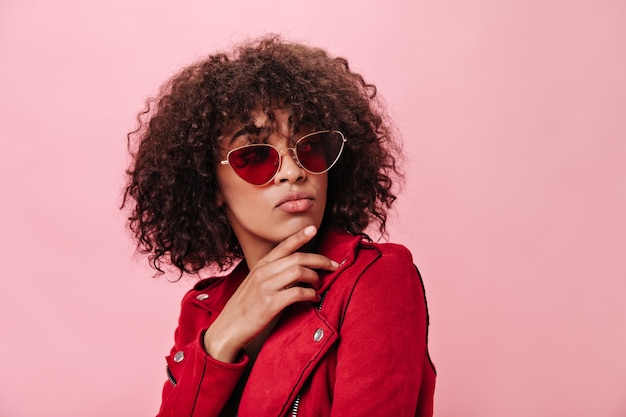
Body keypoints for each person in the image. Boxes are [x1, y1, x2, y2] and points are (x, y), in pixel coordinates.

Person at [123, 35, 435, 417]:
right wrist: (221, 338)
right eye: (254, 155)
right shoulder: (204, 311)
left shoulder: (374, 281)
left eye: (309, 147)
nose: (292, 171)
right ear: (210, 183)